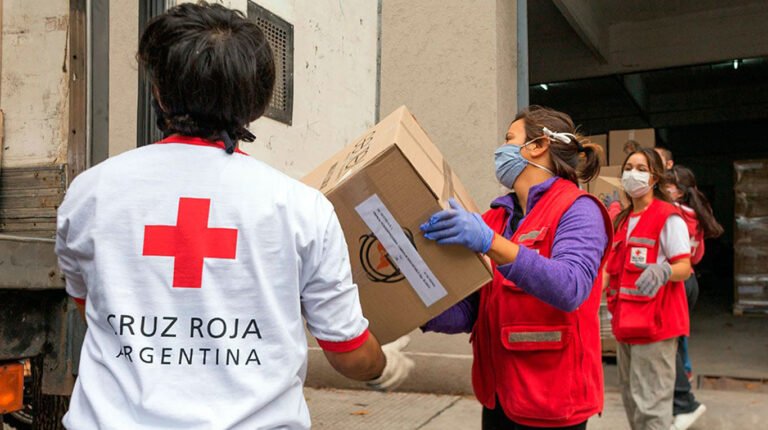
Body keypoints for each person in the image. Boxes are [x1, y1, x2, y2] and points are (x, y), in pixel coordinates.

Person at [55, 3, 412, 429]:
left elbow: (91, 305)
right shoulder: (300, 208)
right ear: (257, 104)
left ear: (158, 92)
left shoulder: (91, 193)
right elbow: (348, 352)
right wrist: (380, 364)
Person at [420, 106, 612, 429]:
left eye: (510, 139)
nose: (501, 149)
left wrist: (490, 243)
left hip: (552, 400)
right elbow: (473, 309)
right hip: (499, 395)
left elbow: (570, 288)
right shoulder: (495, 219)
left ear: (538, 145)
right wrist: (415, 304)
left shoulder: (578, 209)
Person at [604, 148, 692, 430]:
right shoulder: (622, 220)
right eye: (628, 168)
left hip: (656, 326)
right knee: (632, 402)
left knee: (651, 408)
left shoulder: (668, 217)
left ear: (655, 178)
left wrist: (664, 270)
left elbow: (684, 267)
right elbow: (610, 270)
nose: (633, 174)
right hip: (625, 324)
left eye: (642, 169)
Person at [665, 165, 724, 430]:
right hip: (689, 280)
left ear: (678, 191)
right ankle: (679, 395)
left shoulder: (672, 214)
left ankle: (685, 403)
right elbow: (697, 257)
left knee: (668, 344)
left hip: (675, 281)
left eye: (666, 184)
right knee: (675, 341)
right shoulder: (694, 215)